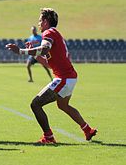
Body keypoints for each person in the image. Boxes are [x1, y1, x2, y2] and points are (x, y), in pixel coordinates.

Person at [6, 8, 97, 144]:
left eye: (40, 20)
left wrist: (21, 51)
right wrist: (33, 53)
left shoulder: (49, 33)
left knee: (35, 104)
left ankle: (48, 137)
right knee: (63, 106)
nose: (38, 23)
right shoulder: (54, 34)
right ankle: (87, 129)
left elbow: (44, 49)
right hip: (69, 77)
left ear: (46, 21)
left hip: (64, 78)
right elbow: (49, 64)